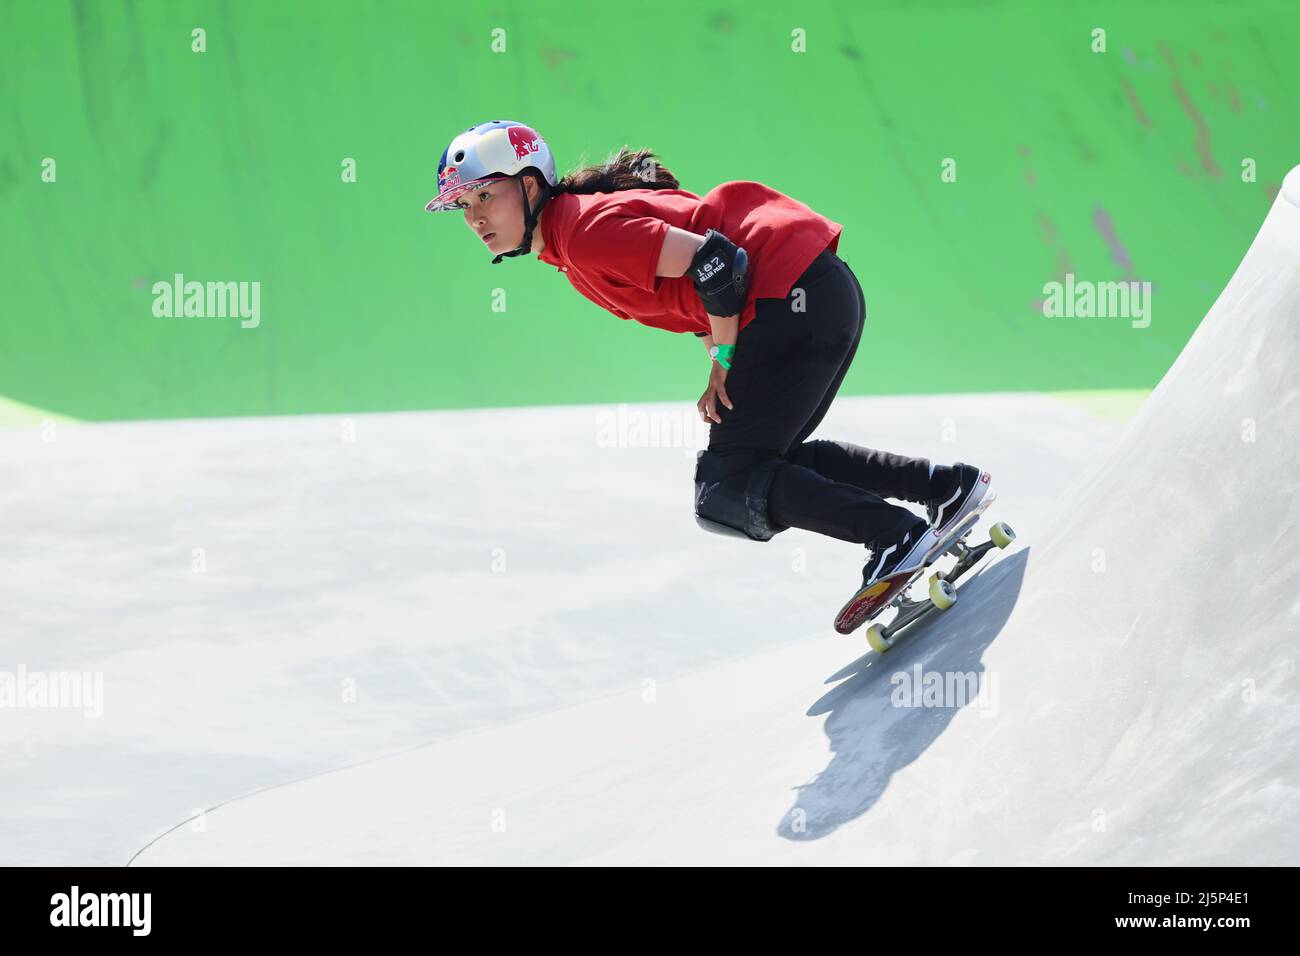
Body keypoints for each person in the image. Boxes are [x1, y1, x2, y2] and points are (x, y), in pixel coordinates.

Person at [425, 119, 990, 622]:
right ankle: (945, 488)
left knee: (726, 488)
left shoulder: (585, 231)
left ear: (528, 185)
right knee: (764, 465)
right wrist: (721, 354)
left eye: (484, 196)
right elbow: (696, 295)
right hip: (808, 294)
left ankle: (896, 536)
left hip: (793, 298)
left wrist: (724, 359)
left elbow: (720, 262)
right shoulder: (572, 248)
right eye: (463, 207)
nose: (475, 217)